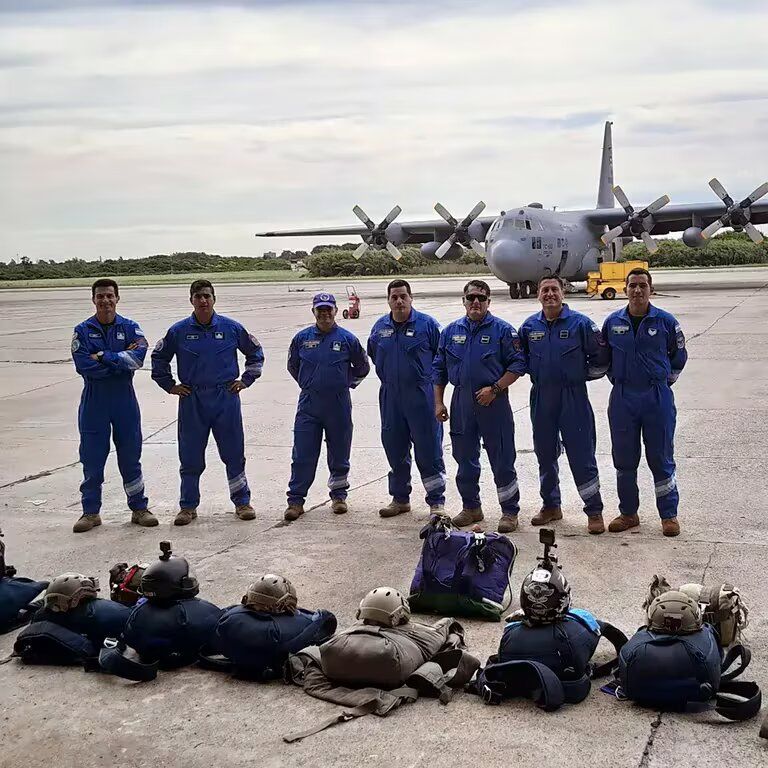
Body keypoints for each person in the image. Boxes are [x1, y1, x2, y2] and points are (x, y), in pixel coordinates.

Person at [151, 280, 264, 525]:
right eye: (198, 296)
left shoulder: (231, 328)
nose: (203, 301)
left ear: (214, 299)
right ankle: (188, 507)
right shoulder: (178, 331)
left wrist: (246, 380)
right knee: (190, 456)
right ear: (191, 300)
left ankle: (242, 502)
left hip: (226, 397)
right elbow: (159, 358)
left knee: (234, 453)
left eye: (207, 296)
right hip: (193, 399)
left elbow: (255, 353)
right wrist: (169, 385)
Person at [433, 280, 526, 533]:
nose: (476, 302)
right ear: (464, 300)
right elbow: (439, 369)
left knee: (502, 457)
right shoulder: (450, 332)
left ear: (488, 302)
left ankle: (509, 511)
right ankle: (471, 507)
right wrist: (439, 401)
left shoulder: (503, 331)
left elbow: (517, 365)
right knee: (464, 458)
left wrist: (495, 389)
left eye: (481, 298)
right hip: (461, 401)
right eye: (471, 297)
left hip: (493, 402)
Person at [519, 276, 609, 534]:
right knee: (545, 454)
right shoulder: (529, 327)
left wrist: (580, 377)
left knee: (582, 454)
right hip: (542, 397)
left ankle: (594, 510)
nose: (549, 294)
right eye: (545, 290)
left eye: (554, 290)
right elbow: (521, 359)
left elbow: (601, 358)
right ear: (538, 294)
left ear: (562, 293)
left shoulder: (581, 324)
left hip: (573, 397)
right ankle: (551, 506)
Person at [602, 267, 687, 537]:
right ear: (625, 289)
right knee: (624, 459)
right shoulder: (612, 322)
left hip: (656, 397)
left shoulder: (665, 321)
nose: (637, 290)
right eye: (632, 285)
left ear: (650, 289)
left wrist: (662, 382)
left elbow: (679, 357)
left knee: (661, 457)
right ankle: (629, 513)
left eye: (642, 285)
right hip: (623, 397)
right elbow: (604, 358)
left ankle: (669, 515)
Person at [71, 279, 153, 533]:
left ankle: (139, 509)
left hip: (124, 400)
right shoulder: (82, 330)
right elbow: (83, 365)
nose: (105, 300)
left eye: (109, 296)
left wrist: (103, 356)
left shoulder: (131, 328)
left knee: (130, 456)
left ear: (117, 298)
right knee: (92, 458)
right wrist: (118, 363)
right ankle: (90, 512)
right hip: (94, 401)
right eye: (100, 296)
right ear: (93, 299)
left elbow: (137, 359)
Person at [284, 293, 370, 521]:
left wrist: (345, 384)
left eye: (328, 309)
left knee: (340, 452)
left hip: (338, 403)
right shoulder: (301, 339)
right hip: (309, 404)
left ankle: (339, 496)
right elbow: (293, 366)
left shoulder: (347, 339)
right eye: (320, 310)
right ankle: (295, 500)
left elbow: (362, 367)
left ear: (334, 310)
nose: (324, 314)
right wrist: (308, 383)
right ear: (314, 312)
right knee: (302, 453)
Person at [367, 279, 446, 518]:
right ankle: (400, 498)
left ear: (411, 298)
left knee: (428, 449)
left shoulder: (428, 326)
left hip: (422, 395)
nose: (399, 301)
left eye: (403, 296)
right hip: (391, 396)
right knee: (394, 447)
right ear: (388, 300)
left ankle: (436, 502)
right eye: (394, 297)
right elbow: (373, 353)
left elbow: (440, 358)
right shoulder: (379, 327)